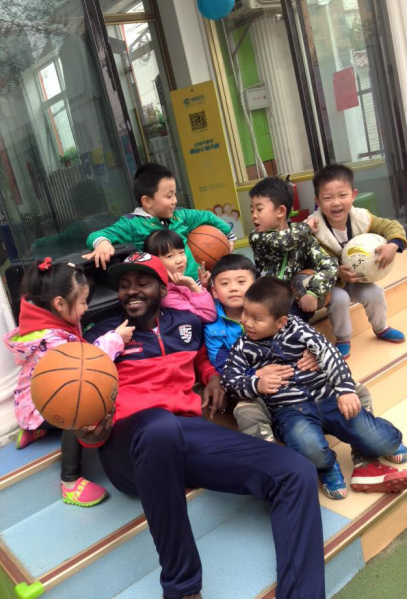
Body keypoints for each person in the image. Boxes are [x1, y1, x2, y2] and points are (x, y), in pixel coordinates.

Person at [81, 252, 326, 599]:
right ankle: (182, 588)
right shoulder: (102, 336)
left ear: (163, 289)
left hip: (185, 434)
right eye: (124, 285)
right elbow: (77, 392)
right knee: (159, 426)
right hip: (130, 443)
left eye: (141, 283)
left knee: (296, 471)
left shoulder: (186, 324)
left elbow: (204, 354)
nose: (131, 291)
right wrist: (87, 430)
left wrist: (211, 375)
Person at [221, 277, 407, 500]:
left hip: (328, 399)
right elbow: (229, 380)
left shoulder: (298, 329)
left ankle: (379, 444)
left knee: (384, 441)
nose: (246, 322)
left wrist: (344, 389)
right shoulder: (243, 346)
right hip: (290, 411)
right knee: (308, 447)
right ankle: (327, 466)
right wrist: (256, 383)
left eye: (256, 318)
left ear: (281, 322)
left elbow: (329, 353)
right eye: (245, 313)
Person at [204, 254, 376, 468]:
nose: (233, 289)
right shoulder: (213, 328)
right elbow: (225, 370)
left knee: (357, 390)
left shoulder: (280, 312)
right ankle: (278, 463)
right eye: (224, 284)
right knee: (245, 411)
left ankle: (362, 449)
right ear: (214, 290)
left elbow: (310, 339)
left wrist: (314, 355)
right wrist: (256, 376)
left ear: (255, 285)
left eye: (241, 281)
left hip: (299, 382)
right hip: (259, 390)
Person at [3, 258, 134, 507]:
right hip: (42, 406)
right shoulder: (50, 339)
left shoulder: (44, 322)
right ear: (60, 303)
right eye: (83, 301)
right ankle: (70, 481)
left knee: (69, 394)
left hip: (32, 402)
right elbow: (84, 365)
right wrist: (116, 338)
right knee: (79, 404)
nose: (86, 307)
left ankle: (35, 429)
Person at [310, 163, 406, 359]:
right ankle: (343, 338)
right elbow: (308, 264)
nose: (336, 203)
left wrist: (393, 244)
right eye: (327, 198)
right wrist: (336, 271)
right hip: (329, 285)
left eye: (342, 195)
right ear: (317, 201)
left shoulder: (361, 218)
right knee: (340, 299)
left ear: (353, 195)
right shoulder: (312, 229)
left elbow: (391, 226)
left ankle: (381, 327)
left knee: (374, 292)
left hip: (357, 280)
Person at [83, 162, 236, 281]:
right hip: (167, 290)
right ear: (147, 201)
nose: (175, 200)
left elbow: (208, 216)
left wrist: (229, 236)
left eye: (175, 194)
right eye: (169, 196)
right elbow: (96, 235)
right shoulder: (132, 223)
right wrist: (103, 243)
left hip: (197, 281)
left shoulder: (180, 215)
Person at [248, 176, 338, 321]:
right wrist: (306, 227)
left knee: (289, 322)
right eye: (252, 210)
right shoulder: (257, 237)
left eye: (259, 209)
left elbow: (329, 264)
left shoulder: (304, 238)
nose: (254, 216)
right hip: (265, 301)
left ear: (280, 211)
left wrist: (313, 293)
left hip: (295, 303)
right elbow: (284, 242)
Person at [143, 229, 216, 323]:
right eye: (170, 256)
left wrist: (205, 287)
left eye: (181, 252)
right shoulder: (166, 295)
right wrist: (193, 286)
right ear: (155, 261)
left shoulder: (179, 281)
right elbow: (209, 316)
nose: (179, 260)